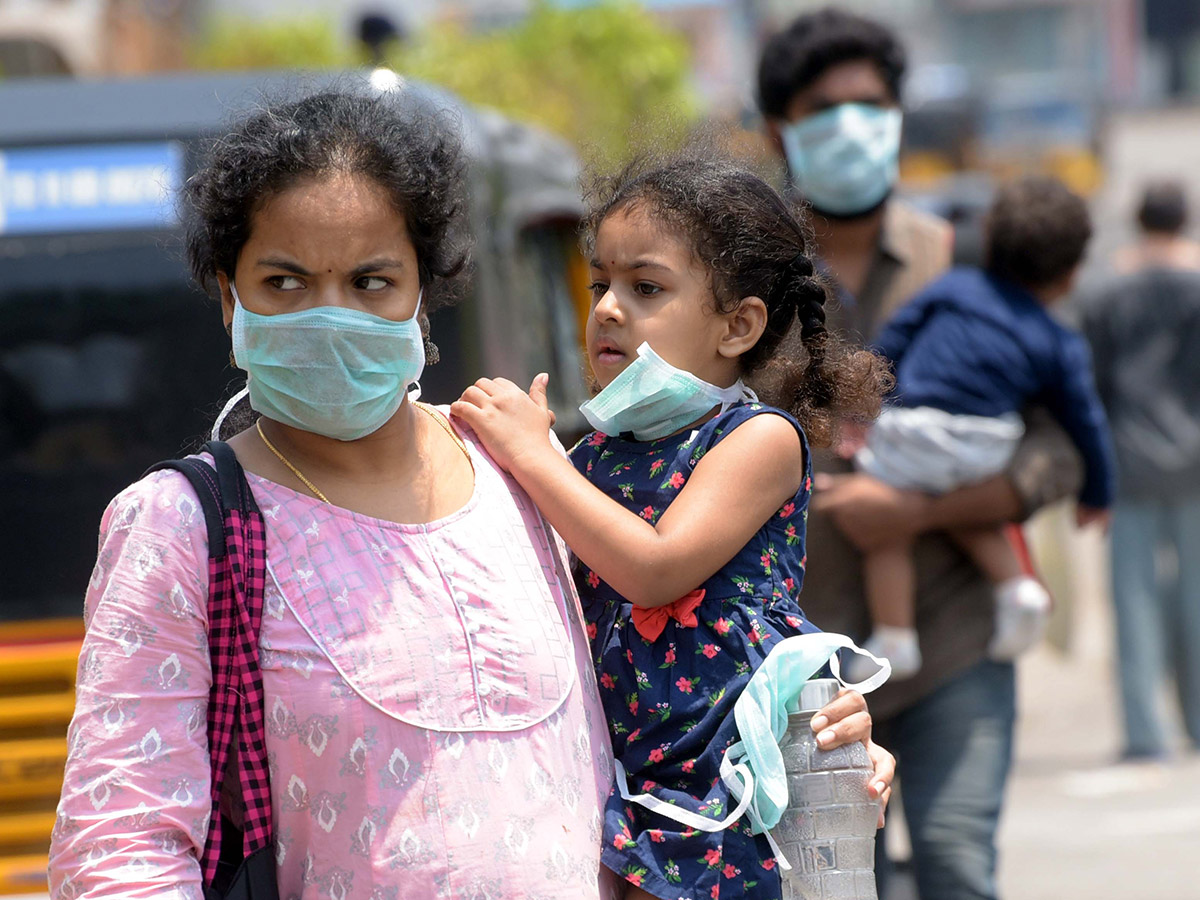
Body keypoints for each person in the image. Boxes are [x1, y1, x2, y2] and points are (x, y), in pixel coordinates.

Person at [47, 89, 891, 899]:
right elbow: (122, 841)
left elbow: (678, 667)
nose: (329, 314)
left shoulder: (522, 472)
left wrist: (808, 739)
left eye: (372, 282)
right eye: (285, 282)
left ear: (425, 296)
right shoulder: (183, 527)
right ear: (230, 298)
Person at [452, 156, 893, 900]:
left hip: (729, 800)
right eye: (600, 285)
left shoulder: (756, 439)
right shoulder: (588, 457)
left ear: (739, 324)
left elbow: (655, 567)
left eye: (646, 288)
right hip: (616, 789)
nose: (608, 309)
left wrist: (534, 455)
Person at [757, 9, 1085, 899]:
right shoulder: (747, 286)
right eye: (823, 109)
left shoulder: (975, 264)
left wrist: (921, 510)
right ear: (780, 130)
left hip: (953, 643)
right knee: (842, 887)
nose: (851, 126)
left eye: (870, 105)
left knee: (953, 863)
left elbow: (1057, 446)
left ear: (899, 116)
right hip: (807, 667)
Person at [843, 176, 1114, 682]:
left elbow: (889, 345)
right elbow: (1087, 422)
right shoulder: (1059, 339)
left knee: (885, 523)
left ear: (988, 241)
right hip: (989, 444)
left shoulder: (953, 287)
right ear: (1071, 275)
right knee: (964, 498)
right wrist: (1098, 494)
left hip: (915, 430)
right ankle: (1016, 585)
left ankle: (895, 634)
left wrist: (858, 413)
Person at [1078, 179, 1200, 760]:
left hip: (1127, 458)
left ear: (1138, 218)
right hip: (1195, 464)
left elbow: (1091, 381)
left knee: (1133, 602)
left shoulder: (1106, 288)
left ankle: (1145, 733)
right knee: (1196, 599)